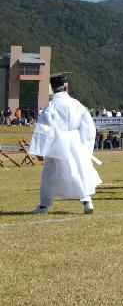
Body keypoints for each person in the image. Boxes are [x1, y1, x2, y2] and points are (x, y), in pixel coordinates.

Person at [28, 75, 101, 214]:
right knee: (79, 171)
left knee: (49, 174)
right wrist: (86, 145)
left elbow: (44, 127)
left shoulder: (51, 106)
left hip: (56, 143)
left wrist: (40, 149)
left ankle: (44, 205)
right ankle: (87, 201)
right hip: (75, 142)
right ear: (66, 88)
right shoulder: (76, 104)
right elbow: (88, 126)